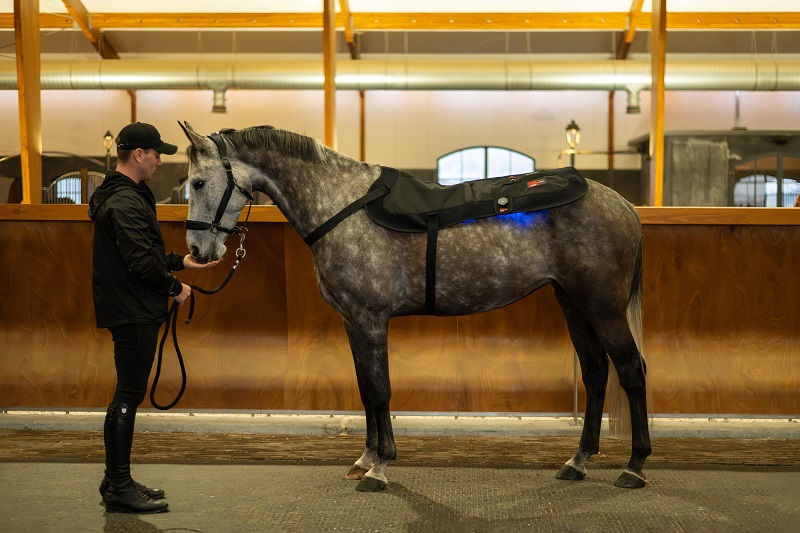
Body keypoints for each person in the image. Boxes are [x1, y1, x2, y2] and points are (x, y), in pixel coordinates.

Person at [88, 122, 219, 514]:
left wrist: (183, 262)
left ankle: (116, 478)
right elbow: (140, 261)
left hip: (132, 304)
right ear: (139, 155)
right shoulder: (125, 201)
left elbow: (145, 253)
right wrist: (175, 288)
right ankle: (119, 484)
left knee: (127, 393)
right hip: (132, 308)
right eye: (156, 153)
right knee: (128, 395)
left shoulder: (129, 194)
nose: (161, 160)